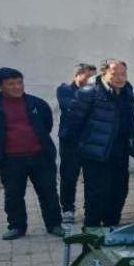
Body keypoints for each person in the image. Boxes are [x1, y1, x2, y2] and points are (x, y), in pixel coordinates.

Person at [0, 68, 63, 239]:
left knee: (49, 192)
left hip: (40, 157)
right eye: (11, 84)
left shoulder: (37, 103)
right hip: (10, 159)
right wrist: (2, 144)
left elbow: (46, 125)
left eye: (19, 82)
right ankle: (16, 226)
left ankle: (54, 224)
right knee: (13, 195)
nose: (17, 87)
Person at [61, 59, 134, 228]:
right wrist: (82, 148)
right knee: (97, 195)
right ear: (103, 74)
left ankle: (111, 226)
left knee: (119, 192)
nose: (120, 78)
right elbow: (73, 124)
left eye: (123, 74)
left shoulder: (127, 90)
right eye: (115, 74)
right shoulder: (88, 92)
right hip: (96, 154)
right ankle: (91, 230)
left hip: (120, 151)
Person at [56, 63, 96, 217]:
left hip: (91, 141)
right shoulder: (64, 90)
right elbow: (71, 108)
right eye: (88, 76)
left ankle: (91, 208)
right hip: (70, 141)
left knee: (92, 177)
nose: (92, 80)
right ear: (77, 75)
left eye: (94, 77)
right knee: (69, 176)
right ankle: (67, 209)